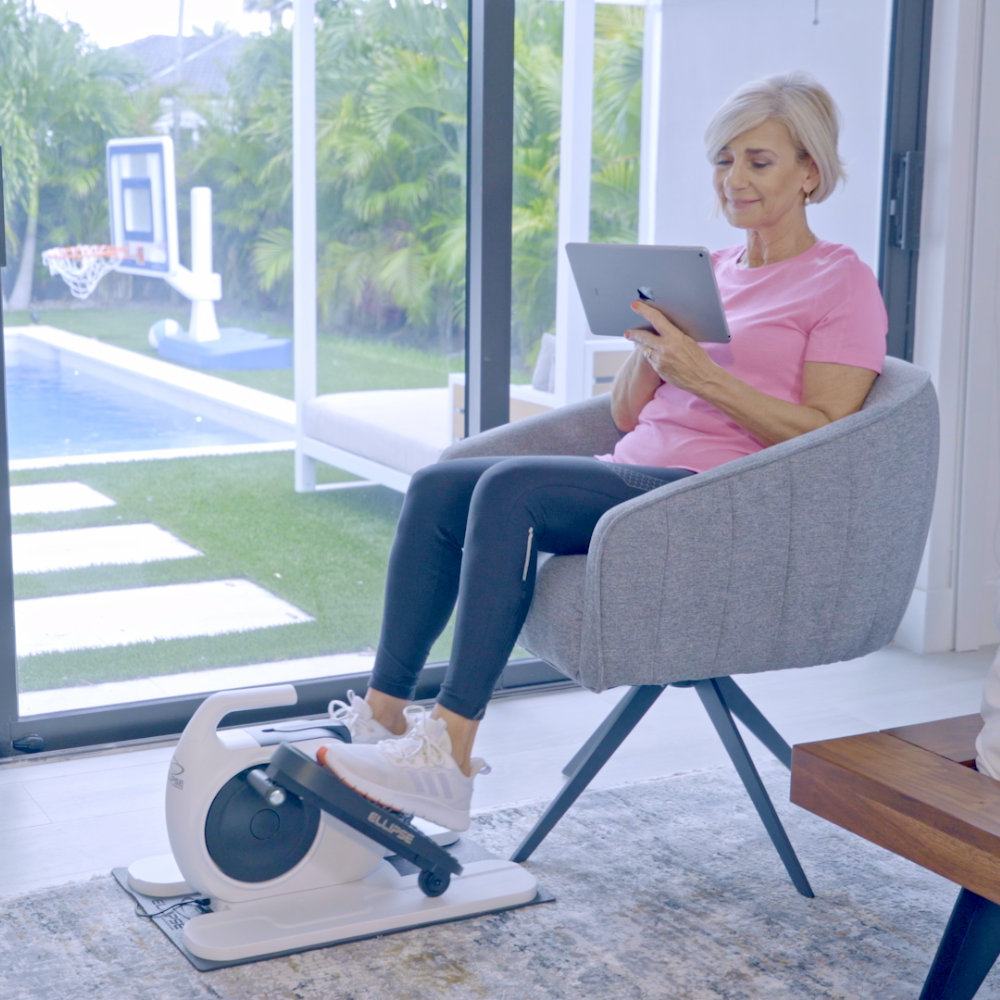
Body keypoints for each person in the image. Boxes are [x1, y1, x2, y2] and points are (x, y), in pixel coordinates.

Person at [317, 70, 888, 832]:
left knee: (511, 490)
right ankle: (384, 724)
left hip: (716, 497)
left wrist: (705, 378)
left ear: (810, 172)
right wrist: (653, 350)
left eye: (759, 161)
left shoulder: (840, 282)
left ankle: (447, 756)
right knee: (439, 486)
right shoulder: (711, 272)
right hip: (638, 471)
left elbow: (826, 433)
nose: (734, 179)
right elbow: (625, 415)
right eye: (723, 160)